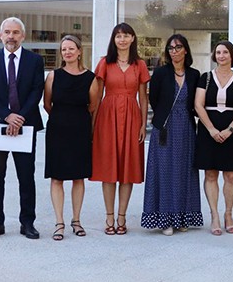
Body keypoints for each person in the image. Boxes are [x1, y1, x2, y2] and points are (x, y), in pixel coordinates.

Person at [0, 17, 45, 240]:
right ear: (0, 35)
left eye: (16, 32)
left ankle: (27, 223)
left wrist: (19, 118)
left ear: (23, 36)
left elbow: (36, 91)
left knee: (26, 176)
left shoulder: (35, 61)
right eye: (7, 32)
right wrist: (7, 116)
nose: (11, 36)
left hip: (25, 126)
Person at [91, 23, 150, 235]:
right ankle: (109, 216)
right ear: (113, 39)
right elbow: (97, 96)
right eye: (118, 36)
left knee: (128, 168)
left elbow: (143, 97)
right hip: (108, 117)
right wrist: (93, 125)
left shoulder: (140, 65)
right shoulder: (104, 63)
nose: (122, 39)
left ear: (133, 38)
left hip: (132, 117)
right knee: (108, 167)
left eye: (126, 35)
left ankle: (122, 216)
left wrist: (143, 124)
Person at [141, 34, 203, 235]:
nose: (174, 51)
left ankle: (182, 216)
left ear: (185, 50)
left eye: (178, 47)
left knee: (184, 171)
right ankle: (165, 219)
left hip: (186, 127)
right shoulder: (160, 73)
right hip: (165, 127)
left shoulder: (194, 74)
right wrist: (164, 115)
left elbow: (196, 102)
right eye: (171, 48)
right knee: (164, 171)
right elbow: (154, 99)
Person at [43, 35, 100, 241]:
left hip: (80, 130)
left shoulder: (91, 78)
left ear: (79, 51)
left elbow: (93, 106)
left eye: (71, 48)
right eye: (64, 49)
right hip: (57, 130)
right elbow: (47, 104)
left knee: (78, 177)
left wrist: (75, 119)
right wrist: (62, 118)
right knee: (56, 177)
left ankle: (76, 220)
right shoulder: (53, 76)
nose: (67, 52)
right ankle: (59, 223)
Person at [194, 41, 233, 235]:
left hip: (232, 132)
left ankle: (228, 214)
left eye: (225, 52)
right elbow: (198, 105)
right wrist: (211, 129)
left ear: (232, 55)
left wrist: (230, 129)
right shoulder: (206, 77)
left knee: (231, 175)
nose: (221, 55)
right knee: (210, 174)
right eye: (218, 52)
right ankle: (215, 215)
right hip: (208, 131)